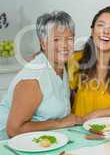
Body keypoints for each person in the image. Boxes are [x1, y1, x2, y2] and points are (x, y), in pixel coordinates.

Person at [0, 11, 83, 139]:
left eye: (69, 39)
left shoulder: (61, 65)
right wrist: (61, 123)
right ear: (44, 43)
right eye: (56, 39)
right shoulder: (33, 79)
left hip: (43, 141)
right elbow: (14, 130)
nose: (64, 45)